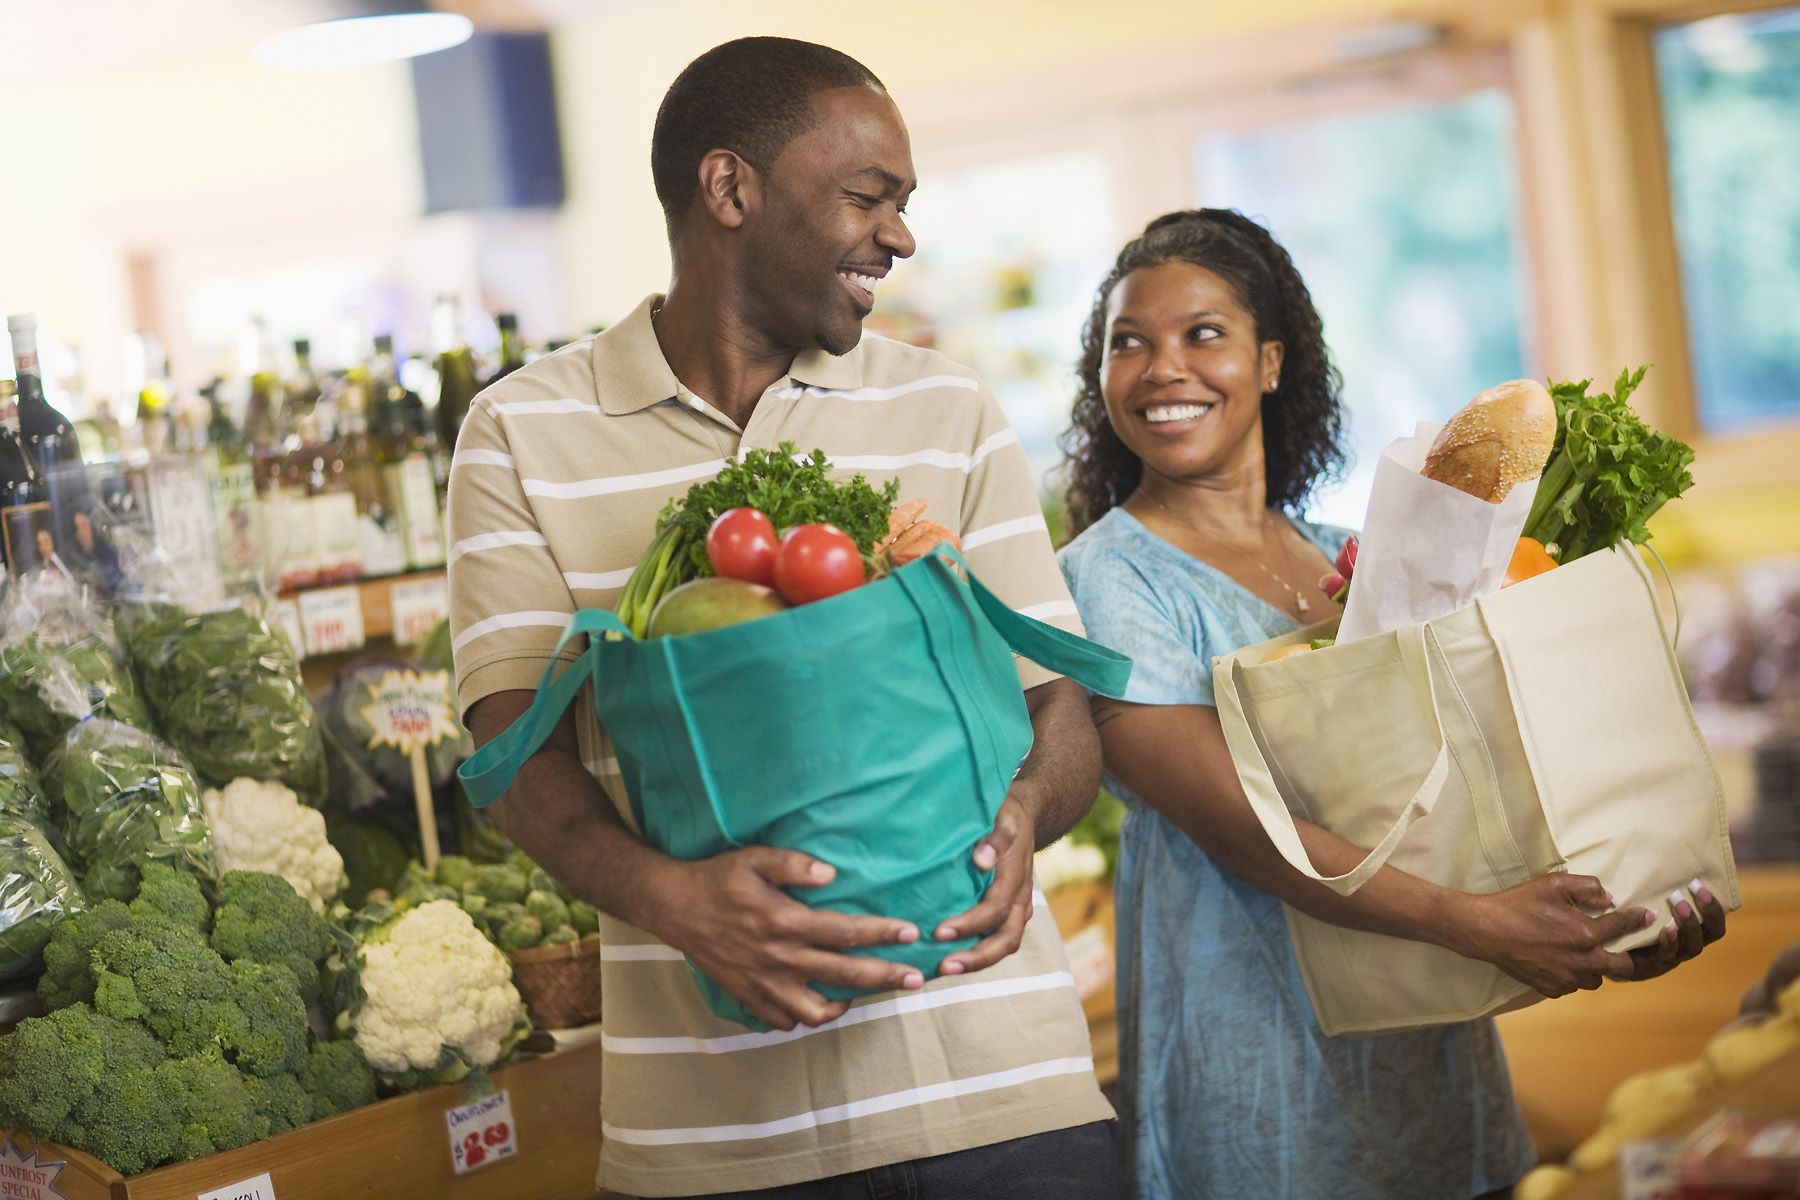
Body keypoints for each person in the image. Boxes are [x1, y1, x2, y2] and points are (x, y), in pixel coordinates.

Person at [450, 37, 1118, 1200]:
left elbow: (1059, 706)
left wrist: (1025, 818)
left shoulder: (944, 405)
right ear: (730, 189)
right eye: (870, 196)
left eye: (903, 206)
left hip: (1005, 1098)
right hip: (713, 1143)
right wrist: (676, 903)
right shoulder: (521, 430)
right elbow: (513, 752)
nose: (900, 239)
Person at [1055, 208, 1728, 1200]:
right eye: (1129, 343)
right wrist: (1484, 925)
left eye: (1203, 333)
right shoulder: (1107, 575)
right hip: (1258, 1072)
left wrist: (1608, 903)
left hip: (1430, 1054)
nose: (1163, 366)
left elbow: (1466, 780)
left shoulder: (1348, 557)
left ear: (1272, 361)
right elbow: (1245, 830)